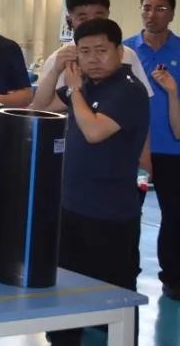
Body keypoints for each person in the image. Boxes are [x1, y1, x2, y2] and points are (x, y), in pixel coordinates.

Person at [43, 19, 150, 346]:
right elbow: (40, 105)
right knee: (66, 286)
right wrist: (55, 71)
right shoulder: (86, 84)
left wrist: (75, 90)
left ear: (119, 51)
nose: (93, 59)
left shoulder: (129, 89)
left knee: (117, 294)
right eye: (85, 52)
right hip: (72, 206)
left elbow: (94, 131)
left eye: (101, 50)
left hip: (111, 214)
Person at [124, 0, 180, 300]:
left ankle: (173, 278)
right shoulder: (126, 51)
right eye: (146, 7)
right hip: (135, 151)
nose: (151, 14)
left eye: (160, 8)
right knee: (128, 214)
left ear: (171, 14)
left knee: (175, 218)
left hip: (173, 150)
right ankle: (124, 274)